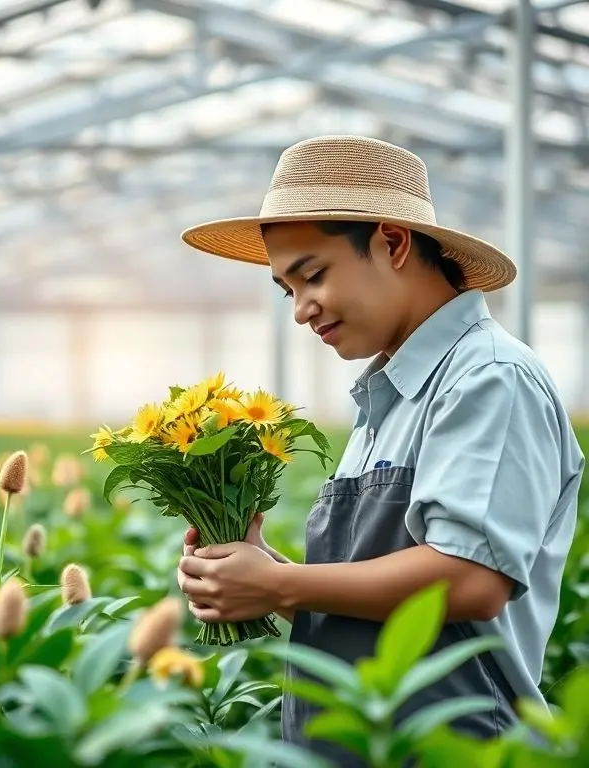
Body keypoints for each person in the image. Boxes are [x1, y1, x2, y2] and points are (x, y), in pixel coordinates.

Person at [175, 135, 584, 765]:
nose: (302, 310)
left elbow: (471, 579)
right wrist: (259, 573)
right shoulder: (386, 399)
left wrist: (282, 584)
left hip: (451, 748)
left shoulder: (487, 379)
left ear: (392, 243)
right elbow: (365, 588)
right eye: (288, 289)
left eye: (313, 275)